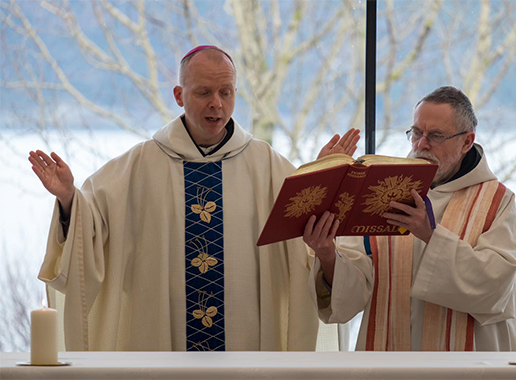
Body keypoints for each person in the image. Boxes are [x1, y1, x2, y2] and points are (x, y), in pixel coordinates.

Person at [29, 45, 359, 352]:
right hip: (162, 349)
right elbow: (91, 231)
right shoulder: (138, 167)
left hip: (247, 350)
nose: (217, 103)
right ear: (178, 95)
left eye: (226, 92)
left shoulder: (268, 167)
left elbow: (306, 249)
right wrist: (69, 199)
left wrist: (319, 182)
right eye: (204, 92)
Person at [304, 86, 516, 351]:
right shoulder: (382, 190)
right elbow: (353, 294)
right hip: (391, 361)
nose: (421, 144)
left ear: (467, 141)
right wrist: (328, 255)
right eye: (417, 133)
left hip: (467, 365)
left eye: (436, 136)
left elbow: (494, 288)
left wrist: (431, 236)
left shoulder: (495, 201)